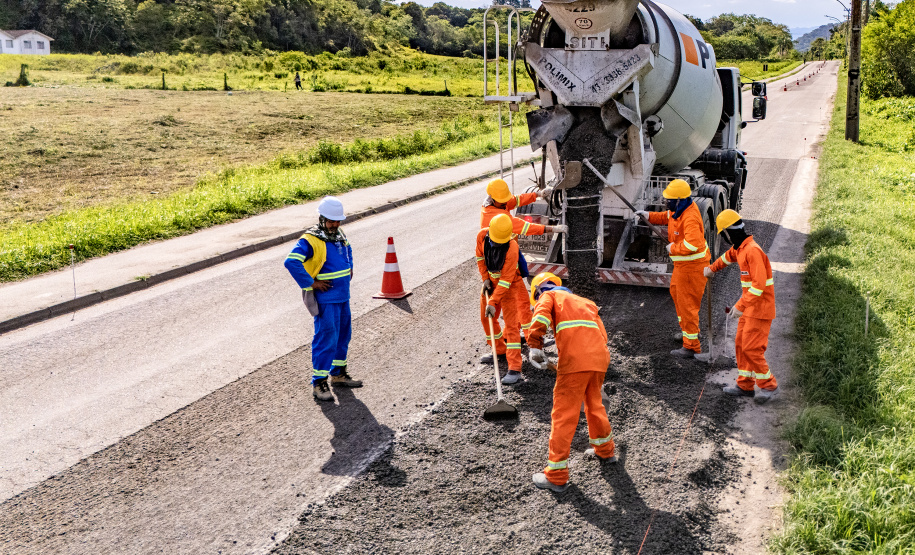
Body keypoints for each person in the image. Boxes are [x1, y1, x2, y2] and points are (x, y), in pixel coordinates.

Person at [526, 272, 617, 493]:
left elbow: (539, 318)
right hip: (599, 359)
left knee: (564, 414)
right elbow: (601, 336)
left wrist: (535, 345)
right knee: (595, 405)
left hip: (575, 361)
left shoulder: (548, 296)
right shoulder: (587, 303)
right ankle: (605, 450)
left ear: (538, 290)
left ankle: (556, 475)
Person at [284, 196, 362, 402]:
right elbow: (291, 262)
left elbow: (348, 249)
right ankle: (319, 383)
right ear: (321, 218)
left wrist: (350, 266)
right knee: (326, 338)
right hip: (327, 299)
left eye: (338, 221)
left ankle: (338, 374)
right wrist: (311, 283)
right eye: (331, 221)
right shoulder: (310, 239)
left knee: (343, 335)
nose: (335, 225)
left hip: (343, 296)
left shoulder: (339, 234)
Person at [480, 178, 567, 362]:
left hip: (498, 269)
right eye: (503, 200)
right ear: (495, 199)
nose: (506, 202)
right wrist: (553, 229)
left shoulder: (495, 203)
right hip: (505, 268)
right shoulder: (494, 218)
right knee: (520, 309)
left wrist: (538, 194)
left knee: (513, 309)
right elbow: (526, 227)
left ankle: (513, 343)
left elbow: (515, 200)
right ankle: (529, 343)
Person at [704, 209, 778, 403]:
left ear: (728, 232)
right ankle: (745, 385)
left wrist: (740, 305)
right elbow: (727, 257)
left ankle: (769, 385)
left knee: (752, 348)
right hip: (750, 308)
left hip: (760, 310)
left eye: (723, 234)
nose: (724, 238)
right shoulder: (741, 248)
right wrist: (711, 269)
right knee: (741, 344)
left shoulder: (752, 251)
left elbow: (759, 285)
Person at [635, 179, 710, 359]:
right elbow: (665, 217)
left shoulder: (690, 217)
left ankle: (692, 346)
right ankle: (689, 332)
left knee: (687, 306)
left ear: (679, 200)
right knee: (677, 296)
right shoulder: (678, 211)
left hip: (692, 269)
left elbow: (693, 245)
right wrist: (647, 215)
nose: (666, 202)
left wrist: (673, 248)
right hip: (682, 266)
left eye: (669, 199)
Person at [476, 214, 527, 384]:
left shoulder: (511, 247)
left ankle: (515, 368)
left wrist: (493, 301)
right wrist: (485, 278)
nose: (497, 244)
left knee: (511, 327)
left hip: (508, 287)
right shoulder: (482, 236)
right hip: (491, 282)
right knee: (486, 319)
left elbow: (506, 280)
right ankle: (499, 350)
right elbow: (480, 258)